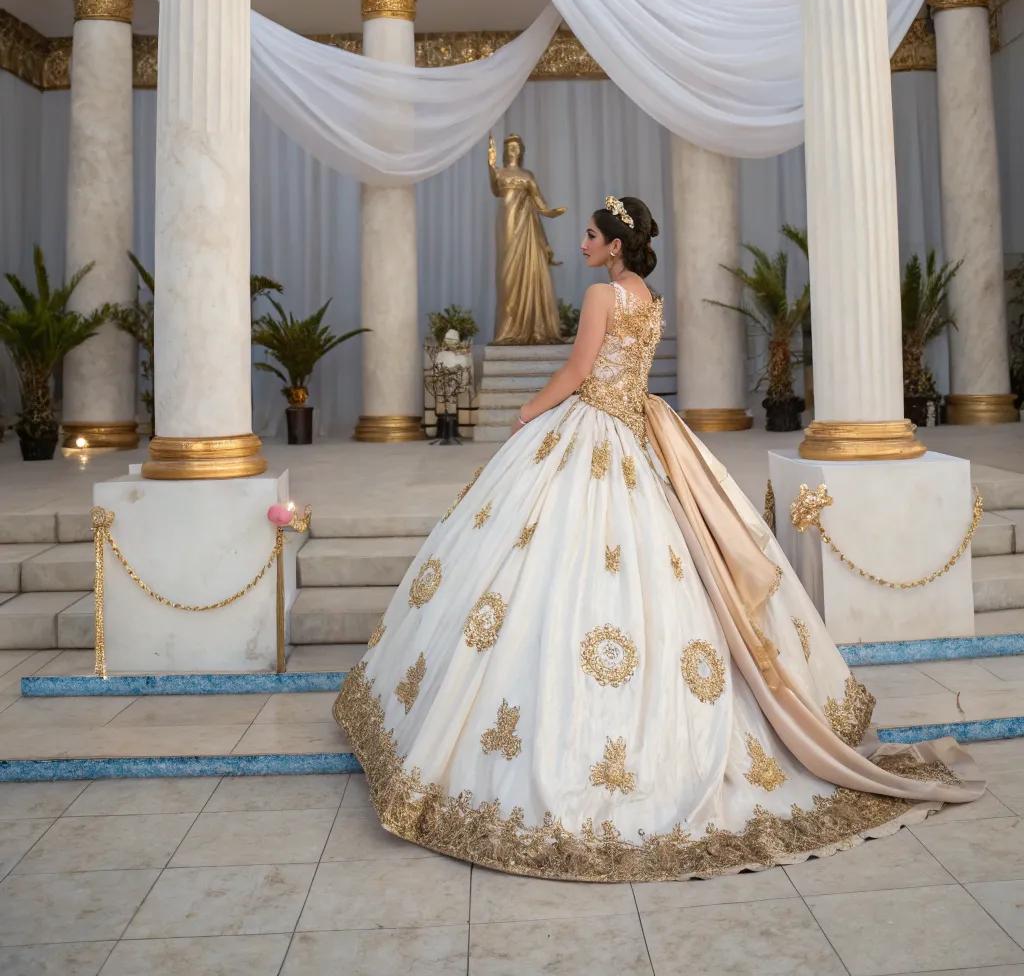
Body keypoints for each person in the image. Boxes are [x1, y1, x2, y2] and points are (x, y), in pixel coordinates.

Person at [334, 195, 982, 881]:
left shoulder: (599, 295)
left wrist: (527, 412)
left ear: (615, 245)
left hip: (592, 433)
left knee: (543, 568)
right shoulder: (648, 297)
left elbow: (579, 373)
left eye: (589, 234)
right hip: (635, 437)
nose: (579, 243)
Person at [488, 133, 566, 344]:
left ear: (521, 151)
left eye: (517, 147)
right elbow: (495, 189)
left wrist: (551, 212)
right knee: (506, 277)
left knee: (525, 271)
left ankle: (532, 326)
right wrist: (490, 163)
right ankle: (508, 328)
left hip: (525, 225)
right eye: (510, 147)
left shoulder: (527, 175)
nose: (514, 150)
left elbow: (540, 202)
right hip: (505, 225)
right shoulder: (500, 173)